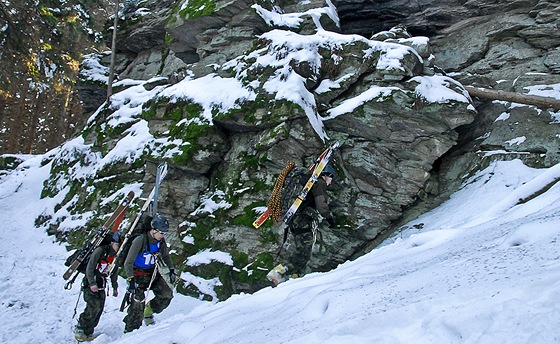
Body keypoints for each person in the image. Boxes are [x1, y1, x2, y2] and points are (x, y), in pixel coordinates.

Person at [123, 214, 177, 333]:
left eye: (164, 233)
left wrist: (171, 269)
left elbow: (166, 256)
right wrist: (131, 280)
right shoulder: (140, 240)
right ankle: (130, 331)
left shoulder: (160, 241)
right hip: (137, 275)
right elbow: (128, 262)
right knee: (137, 304)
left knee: (166, 295)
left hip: (152, 274)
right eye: (162, 233)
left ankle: (148, 312)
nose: (163, 236)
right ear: (154, 230)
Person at [286, 165, 336, 276]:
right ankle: (292, 275)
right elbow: (321, 203)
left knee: (300, 247)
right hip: (303, 219)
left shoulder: (308, 181)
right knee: (305, 248)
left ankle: (282, 272)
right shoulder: (319, 183)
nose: (330, 182)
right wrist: (329, 218)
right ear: (326, 175)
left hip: (294, 218)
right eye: (331, 179)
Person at [74, 231, 122, 342]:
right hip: (90, 282)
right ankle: (81, 328)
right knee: (93, 305)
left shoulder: (115, 256)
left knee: (99, 308)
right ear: (112, 243)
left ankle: (88, 331)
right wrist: (92, 283)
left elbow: (114, 271)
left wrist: (115, 287)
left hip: (101, 283)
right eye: (117, 245)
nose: (118, 248)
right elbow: (89, 268)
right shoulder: (100, 251)